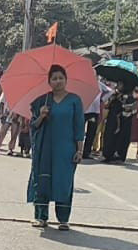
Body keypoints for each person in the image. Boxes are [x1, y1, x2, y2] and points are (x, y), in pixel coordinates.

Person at [27, 65, 86, 231]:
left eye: (61, 78)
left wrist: (79, 150)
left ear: (66, 79)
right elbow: (33, 125)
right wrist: (42, 116)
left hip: (66, 149)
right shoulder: (42, 100)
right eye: (54, 78)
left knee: (64, 181)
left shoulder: (75, 100)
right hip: (45, 148)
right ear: (49, 82)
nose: (58, 81)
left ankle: (63, 219)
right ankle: (40, 217)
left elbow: (79, 127)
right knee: (42, 179)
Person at [83, 82, 105, 161]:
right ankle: (77, 150)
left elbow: (109, 91)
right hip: (83, 110)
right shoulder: (84, 83)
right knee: (79, 132)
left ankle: (86, 152)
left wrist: (102, 99)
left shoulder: (99, 84)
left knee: (91, 133)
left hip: (94, 111)